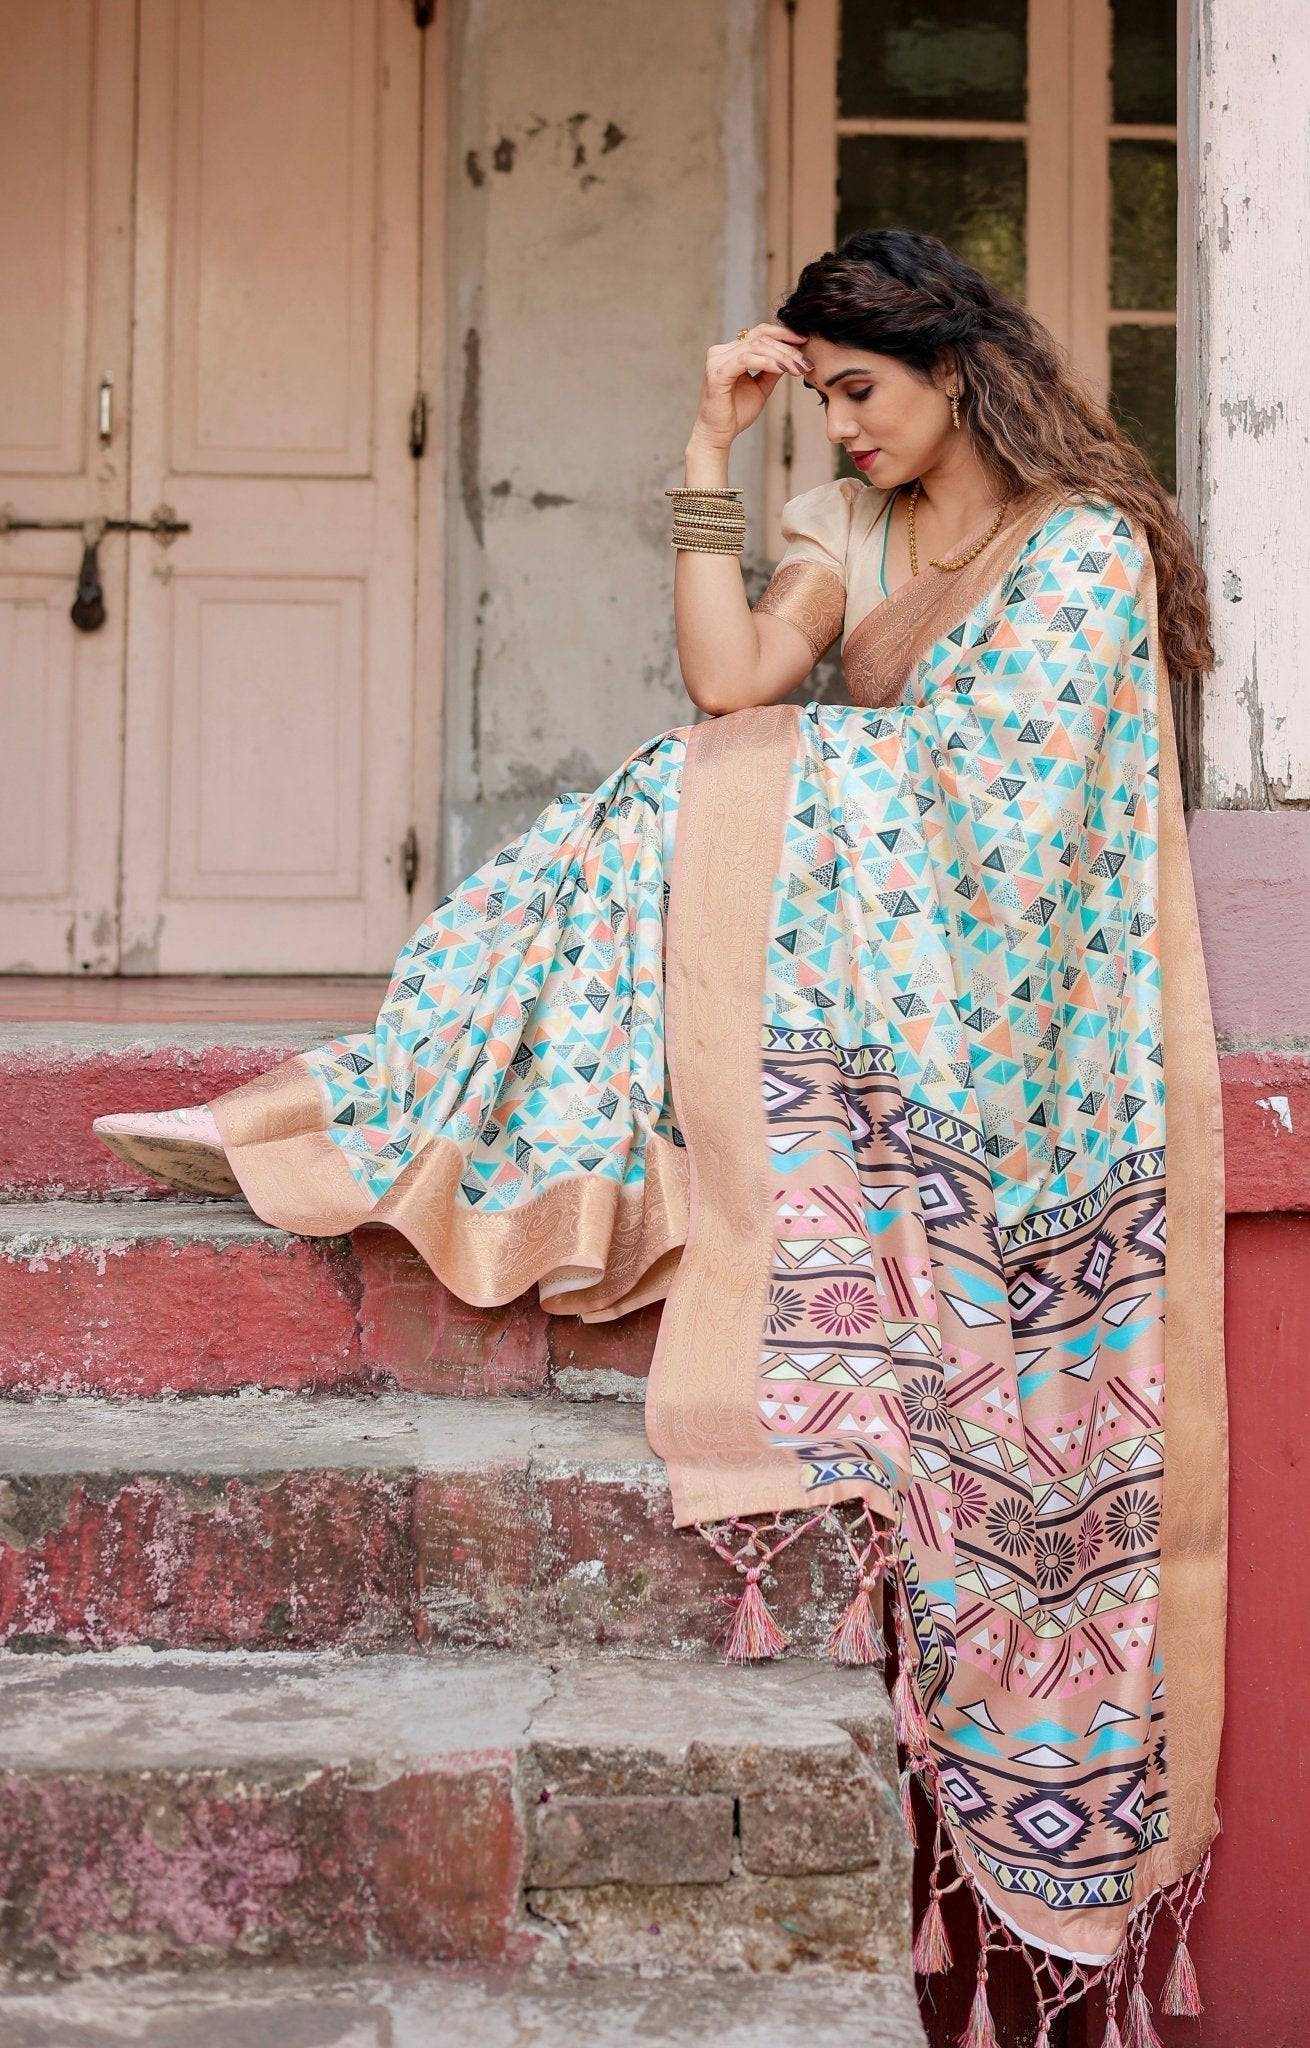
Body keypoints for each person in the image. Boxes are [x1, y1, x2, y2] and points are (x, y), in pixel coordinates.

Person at [93, 230, 1229, 2039]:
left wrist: (782, 784)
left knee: (676, 801)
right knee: (672, 786)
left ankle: (381, 1116)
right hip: (863, 933)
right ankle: (377, 1110)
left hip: (996, 986)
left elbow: (1008, 820)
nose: (839, 428)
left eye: (860, 393)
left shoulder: (1078, 547)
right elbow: (730, 682)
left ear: (955, 371)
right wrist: (708, 455)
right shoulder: (846, 528)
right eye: (821, 398)